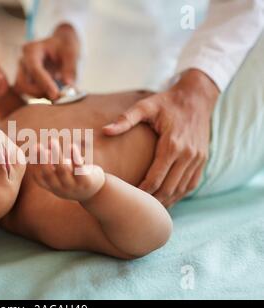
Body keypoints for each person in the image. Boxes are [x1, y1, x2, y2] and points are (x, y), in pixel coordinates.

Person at [0, 30, 264, 258]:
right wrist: (97, 190)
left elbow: (29, 115)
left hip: (171, 94)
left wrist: (0, 97)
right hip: (216, 142)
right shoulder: (47, 210)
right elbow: (152, 234)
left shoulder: (6, 132)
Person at [15, 0, 264, 207]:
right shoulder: (46, 210)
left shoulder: (7, 141)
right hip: (202, 147)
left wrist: (198, 91)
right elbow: (148, 234)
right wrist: (64, 25)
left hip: (192, 79)